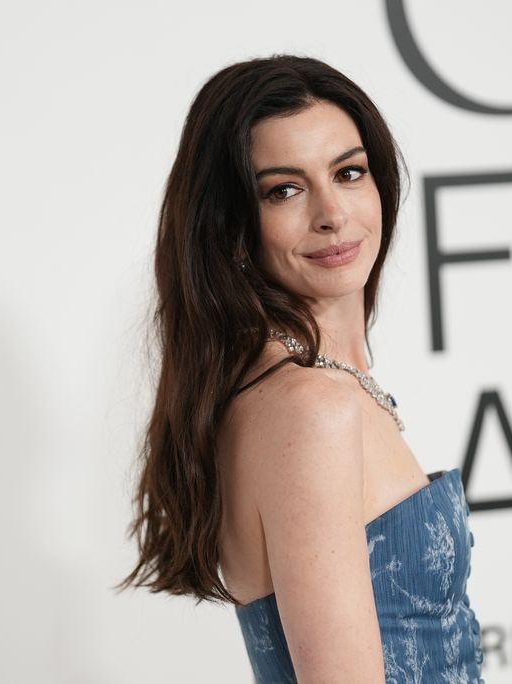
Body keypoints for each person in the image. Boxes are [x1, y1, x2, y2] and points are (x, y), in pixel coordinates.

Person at [117, 54, 484, 682]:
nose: (331, 214)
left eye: (348, 172)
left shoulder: (291, 391)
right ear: (232, 224)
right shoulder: (310, 409)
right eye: (283, 189)